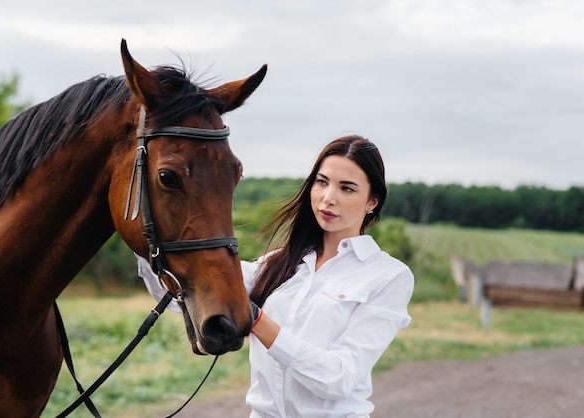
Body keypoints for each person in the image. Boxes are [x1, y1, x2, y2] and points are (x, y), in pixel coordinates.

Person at [137, 134, 414, 417]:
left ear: (372, 202)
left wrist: (259, 322)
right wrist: (142, 243)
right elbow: (179, 296)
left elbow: (339, 379)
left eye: (347, 188)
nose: (328, 198)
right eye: (322, 182)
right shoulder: (277, 263)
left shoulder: (388, 276)